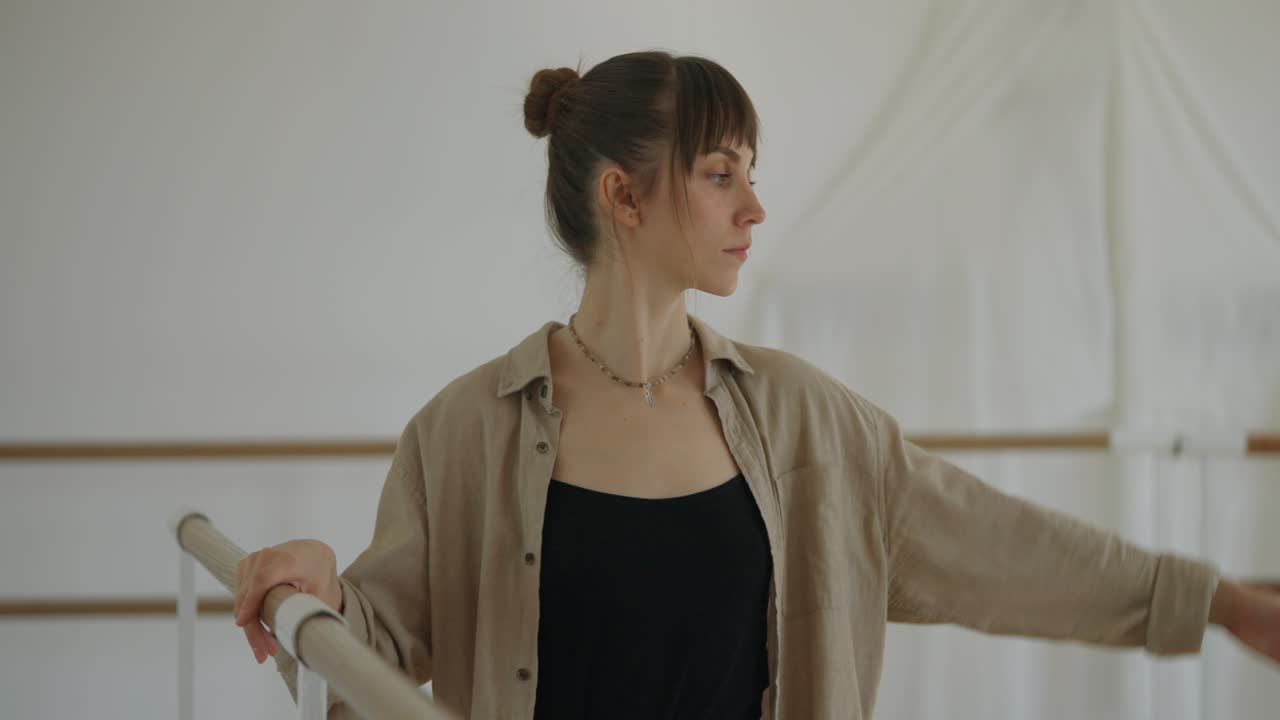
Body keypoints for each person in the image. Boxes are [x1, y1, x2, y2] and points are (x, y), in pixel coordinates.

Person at [231, 50, 1280, 719]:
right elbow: (358, 662)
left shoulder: (808, 424)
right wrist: (317, 585)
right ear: (622, 198)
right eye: (721, 173)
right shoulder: (462, 435)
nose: (754, 208)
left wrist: (1219, 604)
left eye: (748, 173)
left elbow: (1003, 549)